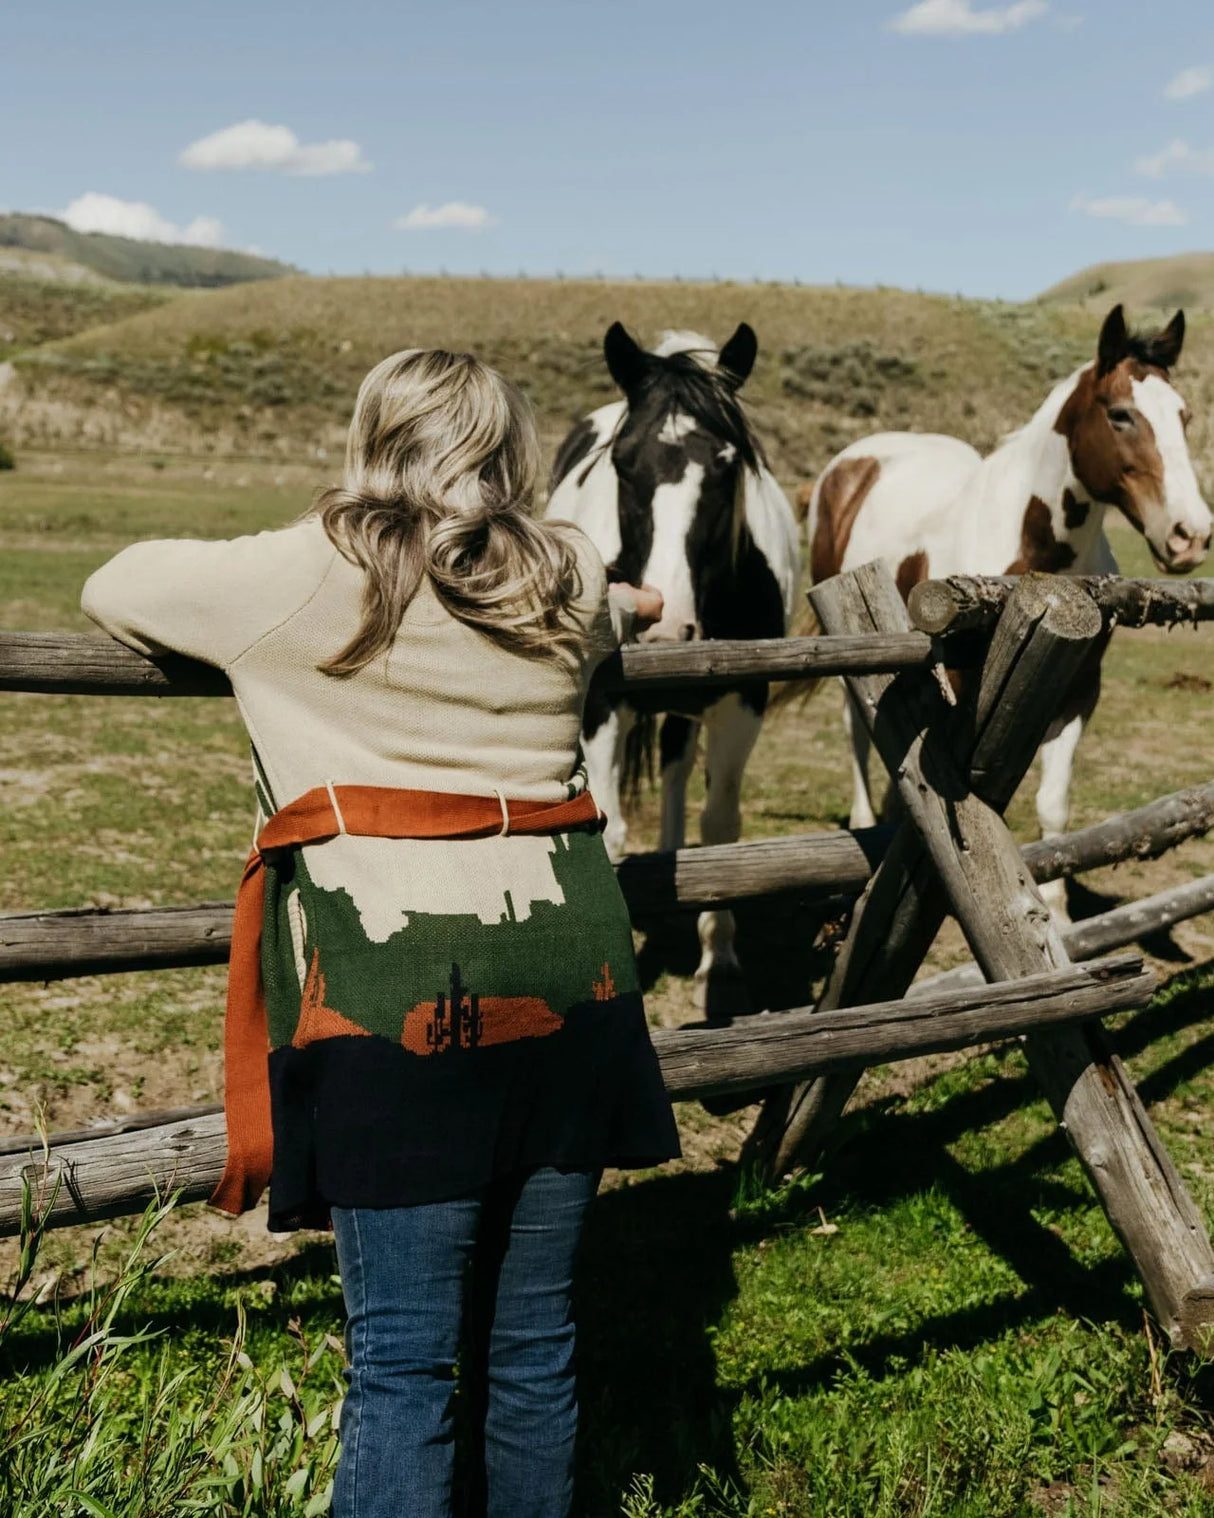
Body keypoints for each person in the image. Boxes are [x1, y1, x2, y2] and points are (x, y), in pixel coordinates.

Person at [80, 348, 682, 1518]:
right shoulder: (567, 572)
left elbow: (114, 582)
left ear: (374, 436)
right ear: (507, 453)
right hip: (579, 978)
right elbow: (613, 612)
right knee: (535, 1344)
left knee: (405, 1367)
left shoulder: (309, 570)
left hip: (397, 985)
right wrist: (638, 603)